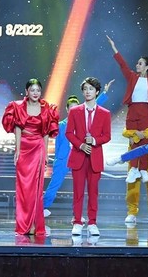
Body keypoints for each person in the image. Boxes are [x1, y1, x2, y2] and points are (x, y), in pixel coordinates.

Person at [107, 35, 148, 225]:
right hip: (133, 119)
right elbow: (122, 65)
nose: (136, 65)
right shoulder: (132, 78)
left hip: (147, 123)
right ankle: (131, 212)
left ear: (146, 67)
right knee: (132, 179)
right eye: (136, 63)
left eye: (140, 63)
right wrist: (114, 48)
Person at [44, 81, 113, 217]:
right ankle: (42, 207)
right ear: (67, 110)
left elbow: (94, 105)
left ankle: (77, 214)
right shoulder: (60, 125)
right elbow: (46, 131)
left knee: (80, 187)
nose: (74, 111)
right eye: (71, 109)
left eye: (76, 108)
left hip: (79, 156)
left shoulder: (83, 120)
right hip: (63, 159)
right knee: (55, 184)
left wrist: (104, 93)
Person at [2, 78, 59, 236]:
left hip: (38, 147)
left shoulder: (46, 108)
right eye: (32, 90)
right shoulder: (18, 107)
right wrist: (17, 150)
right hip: (24, 147)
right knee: (24, 187)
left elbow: (46, 132)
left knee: (36, 188)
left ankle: (34, 224)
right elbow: (17, 129)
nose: (35, 93)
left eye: (38, 90)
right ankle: (23, 224)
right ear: (26, 91)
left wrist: (46, 153)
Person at [66, 77, 111, 237]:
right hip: (78, 156)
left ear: (97, 92)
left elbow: (107, 136)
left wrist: (94, 141)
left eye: (91, 89)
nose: (87, 92)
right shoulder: (74, 111)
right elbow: (69, 133)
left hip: (95, 157)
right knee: (78, 192)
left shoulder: (105, 113)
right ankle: (77, 222)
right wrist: (81, 145)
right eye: (85, 89)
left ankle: (92, 223)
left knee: (93, 192)